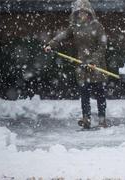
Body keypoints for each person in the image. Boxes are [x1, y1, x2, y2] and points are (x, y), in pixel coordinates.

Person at [44, 0, 108, 129]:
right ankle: (86, 119)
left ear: (89, 13)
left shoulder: (97, 26)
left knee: (100, 93)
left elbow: (102, 46)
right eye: (79, 13)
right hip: (81, 64)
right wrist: (50, 44)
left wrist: (93, 61)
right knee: (84, 94)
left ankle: (102, 119)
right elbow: (62, 36)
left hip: (96, 65)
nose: (81, 15)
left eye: (84, 12)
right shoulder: (74, 27)